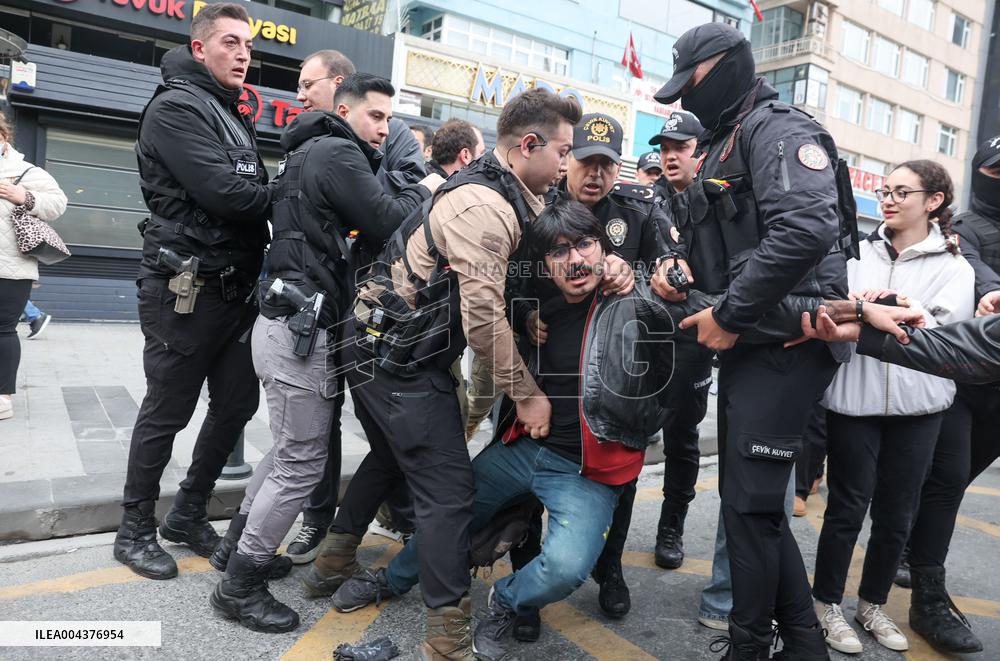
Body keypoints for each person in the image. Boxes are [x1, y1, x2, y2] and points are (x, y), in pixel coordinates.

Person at [310, 88, 580, 660]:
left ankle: (328, 566)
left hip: (375, 349)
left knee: (390, 458)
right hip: (399, 363)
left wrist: (527, 312)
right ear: (527, 145)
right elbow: (480, 318)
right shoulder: (486, 205)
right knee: (450, 494)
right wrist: (527, 397)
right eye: (562, 152)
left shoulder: (505, 191)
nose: (566, 165)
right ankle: (448, 640)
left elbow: (490, 288)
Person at [207, 74, 444, 633]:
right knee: (303, 461)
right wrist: (426, 188)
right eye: (377, 117)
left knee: (289, 449)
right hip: (299, 333)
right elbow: (388, 219)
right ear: (344, 110)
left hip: (284, 323)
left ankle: (237, 548)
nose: (386, 129)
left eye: (390, 119)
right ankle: (240, 584)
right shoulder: (338, 151)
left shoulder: (308, 152)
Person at [652, 22, 852, 659]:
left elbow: (805, 232)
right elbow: (723, 247)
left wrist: (730, 316)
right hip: (754, 342)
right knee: (755, 509)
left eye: (694, 83)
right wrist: (680, 275)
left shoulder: (777, 129)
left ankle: (748, 646)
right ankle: (798, 643)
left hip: (787, 340)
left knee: (748, 510)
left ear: (729, 65)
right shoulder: (725, 139)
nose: (687, 99)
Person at [114, 2, 272, 580]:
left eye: (249, 46)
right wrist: (292, 192)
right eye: (230, 43)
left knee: (236, 404)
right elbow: (228, 194)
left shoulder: (225, 108)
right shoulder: (177, 108)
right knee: (168, 409)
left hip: (233, 288)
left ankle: (186, 512)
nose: (243, 54)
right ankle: (133, 529)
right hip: (184, 287)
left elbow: (241, 187)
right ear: (200, 47)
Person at [508, 112, 680, 637]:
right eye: (587, 162)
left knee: (620, 478)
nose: (596, 175)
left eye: (607, 165)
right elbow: (505, 285)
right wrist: (525, 315)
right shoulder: (535, 206)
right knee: (525, 481)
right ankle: (525, 586)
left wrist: (643, 283)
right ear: (569, 160)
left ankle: (610, 568)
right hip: (542, 371)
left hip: (614, 378)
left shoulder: (639, 211)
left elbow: (668, 280)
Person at [812, 160, 974, 655]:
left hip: (921, 406)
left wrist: (879, 309)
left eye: (903, 191)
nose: (889, 198)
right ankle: (826, 605)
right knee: (846, 507)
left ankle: (873, 603)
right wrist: (880, 309)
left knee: (898, 514)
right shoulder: (854, 252)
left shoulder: (955, 268)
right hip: (852, 401)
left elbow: (939, 332)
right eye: (885, 190)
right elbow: (830, 306)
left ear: (934, 201)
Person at [283, 49, 428, 565]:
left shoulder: (392, 135)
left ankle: (405, 517)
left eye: (308, 83)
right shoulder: (313, 146)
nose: (301, 94)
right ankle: (318, 523)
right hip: (323, 303)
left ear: (338, 88)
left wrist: (362, 190)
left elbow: (405, 199)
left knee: (387, 428)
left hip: (374, 309)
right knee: (319, 425)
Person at [891, 137, 1000, 655]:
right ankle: (928, 595)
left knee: (955, 481)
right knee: (945, 478)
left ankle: (909, 542)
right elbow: (976, 271)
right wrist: (992, 293)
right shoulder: (964, 229)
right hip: (960, 374)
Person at [0, 111, 67, 422]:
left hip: (11, 267)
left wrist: (23, 196)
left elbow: (58, 203)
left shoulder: (24, 170)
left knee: (3, 331)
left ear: (3, 136)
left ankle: (2, 397)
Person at [648, 109, 704, 202]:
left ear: (702, 151)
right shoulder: (648, 206)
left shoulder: (719, 200)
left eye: (680, 147)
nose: (670, 156)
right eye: (664, 149)